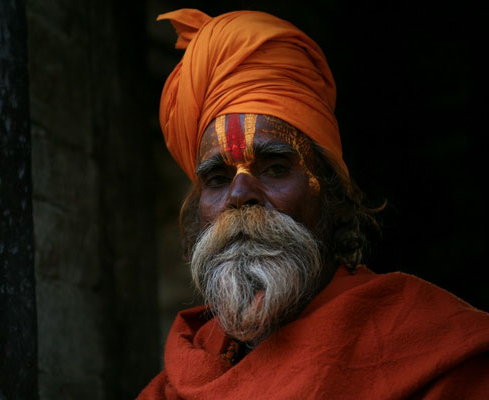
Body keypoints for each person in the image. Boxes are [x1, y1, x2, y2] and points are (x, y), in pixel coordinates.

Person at [138, 8, 489, 399]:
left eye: (274, 169)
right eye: (217, 179)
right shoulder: (172, 387)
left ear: (335, 198)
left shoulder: (436, 352)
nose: (239, 195)